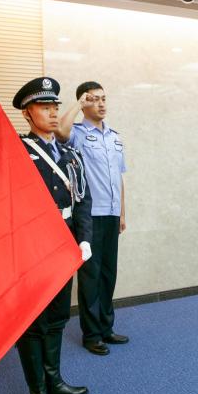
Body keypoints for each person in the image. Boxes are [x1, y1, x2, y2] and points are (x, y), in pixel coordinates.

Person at [12, 77, 94, 394]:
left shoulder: (71, 154)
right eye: (44, 107)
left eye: (55, 106)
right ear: (27, 114)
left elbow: (83, 200)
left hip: (64, 242)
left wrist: (84, 238)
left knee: (59, 315)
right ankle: (38, 392)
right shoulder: (17, 151)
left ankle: (54, 380)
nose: (52, 112)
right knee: (33, 320)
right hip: (31, 247)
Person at [56, 81, 129, 355]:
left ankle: (107, 328)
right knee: (90, 276)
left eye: (103, 98)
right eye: (94, 99)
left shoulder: (114, 137)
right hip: (89, 216)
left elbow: (119, 178)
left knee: (108, 274)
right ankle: (92, 335)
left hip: (111, 214)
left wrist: (122, 213)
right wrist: (78, 103)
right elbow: (60, 131)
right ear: (85, 103)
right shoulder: (77, 134)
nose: (100, 104)